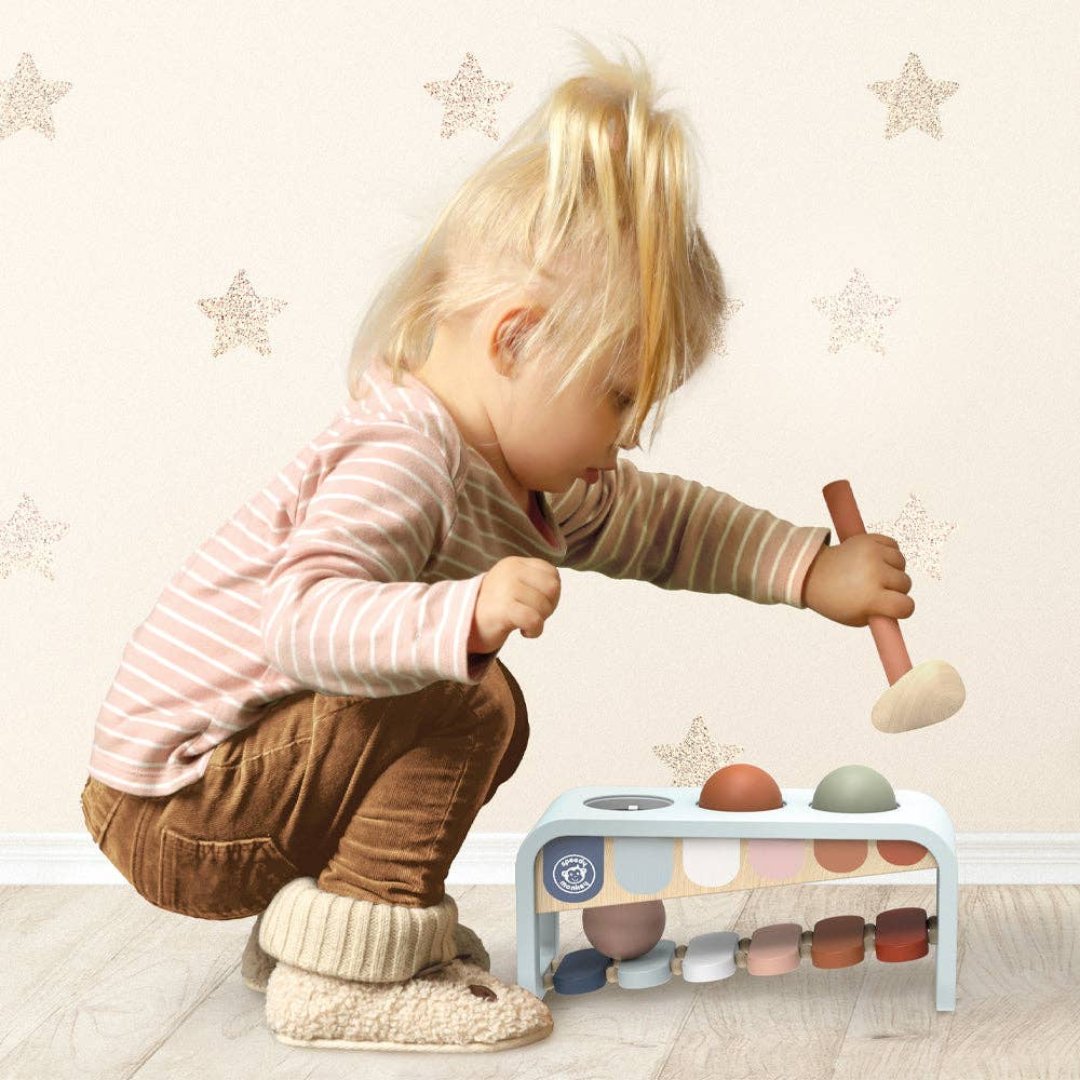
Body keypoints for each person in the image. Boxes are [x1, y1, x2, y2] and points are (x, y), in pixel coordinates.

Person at [79, 30, 913, 1054]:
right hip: (180, 800)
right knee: (469, 701)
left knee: (478, 709)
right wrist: (462, 610)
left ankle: (323, 933)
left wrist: (810, 569)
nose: (629, 437)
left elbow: (666, 525)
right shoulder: (405, 454)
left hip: (228, 787)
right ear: (516, 339)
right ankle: (350, 974)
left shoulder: (525, 478)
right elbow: (299, 622)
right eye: (619, 398)